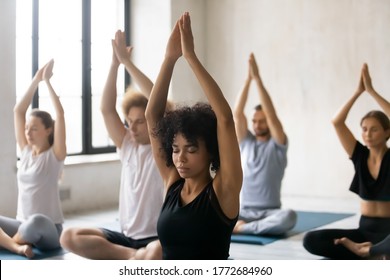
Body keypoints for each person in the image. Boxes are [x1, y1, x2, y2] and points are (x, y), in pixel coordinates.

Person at [122, 12, 242, 260]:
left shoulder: (224, 190)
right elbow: (152, 115)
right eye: (175, 149)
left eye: (191, 149)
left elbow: (225, 120)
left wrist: (191, 58)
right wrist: (169, 59)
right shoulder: (172, 184)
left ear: (210, 150)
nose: (180, 158)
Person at [59, 30, 164, 259]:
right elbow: (106, 109)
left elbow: (158, 100)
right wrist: (114, 64)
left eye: (139, 122)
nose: (132, 128)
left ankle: (142, 256)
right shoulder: (127, 144)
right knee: (68, 236)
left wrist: (128, 63)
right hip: (126, 237)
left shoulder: (163, 145)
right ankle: (131, 257)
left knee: (157, 252)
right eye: (129, 122)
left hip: (156, 237)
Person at [303, 63, 390, 260]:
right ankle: (373, 253)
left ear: (387, 132)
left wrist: (372, 92)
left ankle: (373, 252)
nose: (367, 134)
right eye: (364, 129)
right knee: (311, 240)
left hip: (388, 233)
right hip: (363, 232)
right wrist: (358, 91)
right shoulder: (359, 155)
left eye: (374, 129)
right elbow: (337, 122)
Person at [0, 59, 66, 258]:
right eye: (27, 128)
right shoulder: (26, 152)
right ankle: (17, 246)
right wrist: (36, 80)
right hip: (21, 223)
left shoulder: (55, 156)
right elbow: (18, 111)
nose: (28, 132)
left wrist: (47, 82)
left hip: (48, 228)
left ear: (48, 130)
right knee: (26, 225)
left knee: (35, 222)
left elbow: (60, 114)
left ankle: (9, 242)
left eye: (34, 128)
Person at [232, 53, 296, 236]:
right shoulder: (246, 142)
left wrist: (258, 80)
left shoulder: (278, 145)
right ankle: (246, 227)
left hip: (271, 212)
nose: (257, 125)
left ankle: (242, 229)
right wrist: (248, 80)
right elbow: (237, 114)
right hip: (244, 210)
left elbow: (273, 115)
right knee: (212, 213)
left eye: (262, 121)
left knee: (289, 217)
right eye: (254, 121)